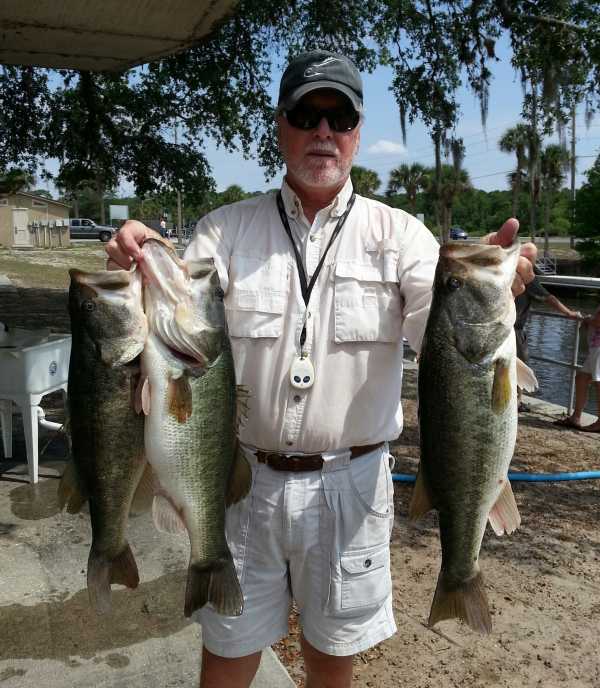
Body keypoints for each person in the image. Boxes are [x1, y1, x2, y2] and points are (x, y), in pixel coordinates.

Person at [107, 50, 536, 688]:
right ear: (281, 126)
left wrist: (490, 294)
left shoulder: (403, 236)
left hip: (351, 488)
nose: (324, 132)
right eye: (307, 115)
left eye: (341, 117)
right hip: (241, 483)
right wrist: (135, 262)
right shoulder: (224, 232)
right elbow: (172, 310)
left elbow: (442, 333)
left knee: (332, 660)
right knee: (226, 655)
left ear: (358, 133)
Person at [514, 272, 583, 412]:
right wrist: (568, 313)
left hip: (503, 329)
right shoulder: (525, 277)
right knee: (518, 365)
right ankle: (517, 402)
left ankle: (514, 400)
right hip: (513, 331)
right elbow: (548, 298)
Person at [555, 303, 600, 432]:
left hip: (598, 349)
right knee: (581, 378)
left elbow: (598, 321)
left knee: (598, 383)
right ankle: (576, 417)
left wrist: (587, 319)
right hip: (595, 347)